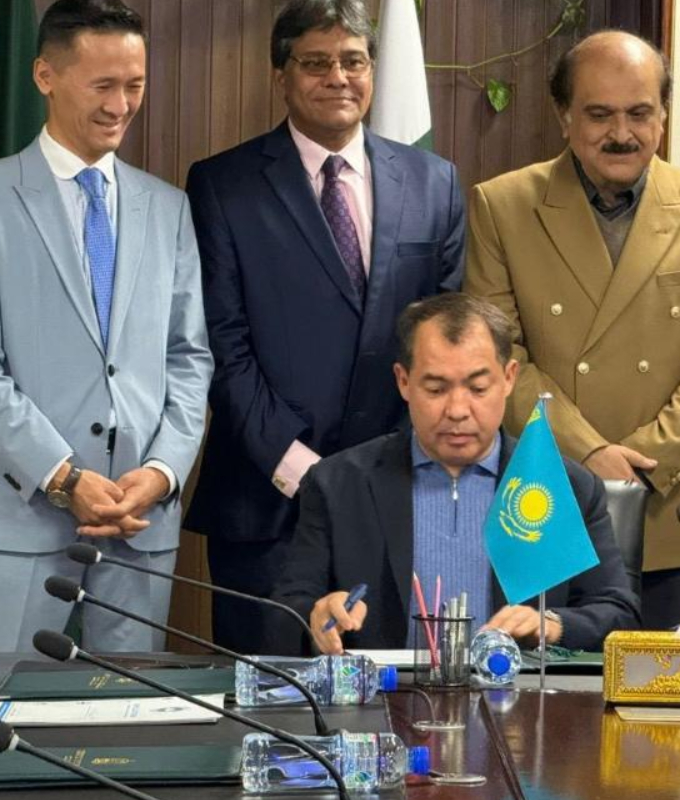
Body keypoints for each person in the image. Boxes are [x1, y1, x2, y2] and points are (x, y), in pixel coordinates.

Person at [183, 0, 464, 653]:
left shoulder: (434, 182)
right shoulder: (222, 184)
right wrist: (301, 467)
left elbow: (443, 340)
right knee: (268, 697)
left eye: (353, 61)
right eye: (316, 63)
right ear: (280, 75)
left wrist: (383, 463)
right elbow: (222, 343)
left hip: (396, 495)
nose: (338, 77)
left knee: (396, 700)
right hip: (266, 504)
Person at [463, 30, 680, 630]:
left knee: (670, 684)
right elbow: (497, 355)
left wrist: (646, 462)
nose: (622, 133)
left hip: (668, 503)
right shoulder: (503, 206)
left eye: (639, 113)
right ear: (564, 116)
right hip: (548, 495)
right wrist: (587, 454)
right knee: (545, 678)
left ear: (663, 115)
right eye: (599, 114)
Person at [0, 0, 212, 652]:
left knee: (130, 715)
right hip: (20, 526)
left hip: (139, 526)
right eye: (103, 85)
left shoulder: (169, 209)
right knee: (7, 714)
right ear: (45, 76)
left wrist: (161, 472)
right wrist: (63, 477)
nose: (120, 106)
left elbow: (190, 359)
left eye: (135, 85)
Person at [274, 293, 640, 654]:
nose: (457, 410)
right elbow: (285, 613)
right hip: (384, 690)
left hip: (519, 690)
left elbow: (619, 615)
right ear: (403, 381)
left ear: (509, 378)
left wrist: (551, 625)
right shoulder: (338, 483)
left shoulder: (563, 486)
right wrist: (315, 617)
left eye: (478, 388)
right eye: (436, 389)